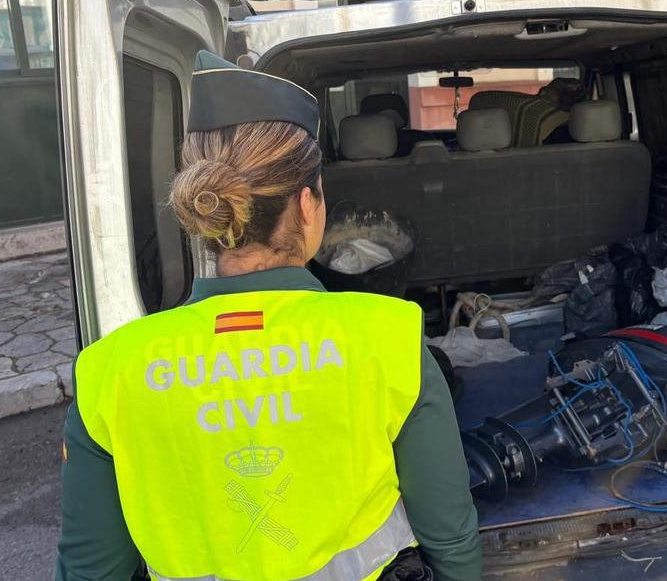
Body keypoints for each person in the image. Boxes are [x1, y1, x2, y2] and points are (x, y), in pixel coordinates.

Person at [56, 51, 481, 581]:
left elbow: (91, 569)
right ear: (308, 204)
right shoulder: (386, 337)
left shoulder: (109, 372)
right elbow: (450, 533)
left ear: (203, 217)